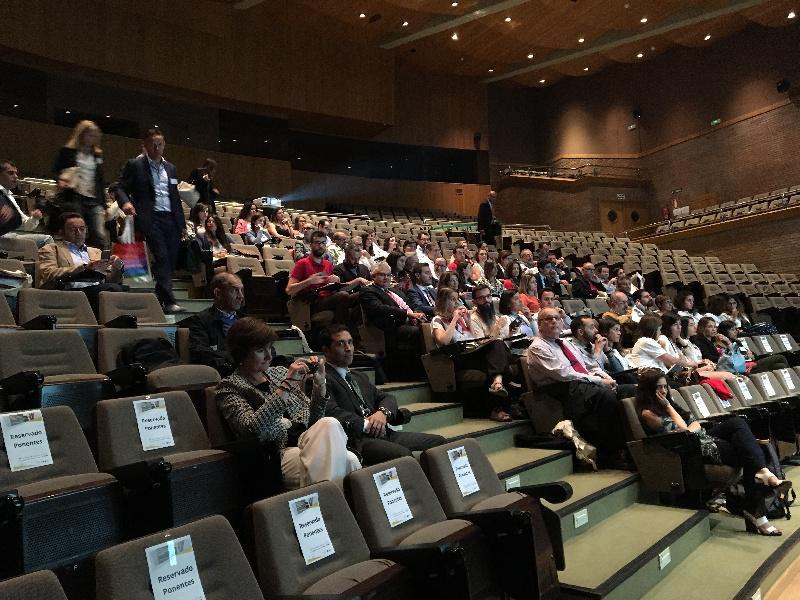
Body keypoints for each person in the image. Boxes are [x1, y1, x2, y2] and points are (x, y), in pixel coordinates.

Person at [635, 368, 791, 536]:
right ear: (649, 390)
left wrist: (686, 425)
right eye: (659, 387)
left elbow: (695, 423)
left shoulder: (669, 404)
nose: (664, 391)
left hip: (702, 439)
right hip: (689, 450)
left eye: (665, 387)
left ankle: (763, 478)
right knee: (749, 454)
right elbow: (683, 430)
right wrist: (669, 408)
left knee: (737, 423)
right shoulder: (648, 413)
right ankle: (760, 503)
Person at [216, 318, 361, 489]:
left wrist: (319, 385)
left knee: (342, 446)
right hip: (275, 454)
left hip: (307, 441)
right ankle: (333, 507)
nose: (269, 356)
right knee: (345, 454)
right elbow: (251, 430)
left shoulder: (279, 373)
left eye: (270, 348)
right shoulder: (229, 387)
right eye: (260, 350)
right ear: (241, 353)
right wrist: (286, 385)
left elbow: (314, 419)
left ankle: (325, 506)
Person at [321, 325, 444, 465]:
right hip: (358, 440)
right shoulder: (322, 379)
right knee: (403, 457)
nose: (348, 348)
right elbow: (331, 412)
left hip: (385, 433)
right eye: (340, 344)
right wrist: (370, 424)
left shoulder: (359, 376)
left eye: (350, 342)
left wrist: (382, 413)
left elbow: (386, 398)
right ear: (326, 350)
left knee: (439, 443)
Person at [525, 307, 627, 467]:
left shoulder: (565, 343)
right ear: (539, 324)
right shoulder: (538, 347)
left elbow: (589, 365)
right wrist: (599, 382)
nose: (554, 321)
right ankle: (610, 454)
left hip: (580, 383)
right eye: (548, 319)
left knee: (628, 391)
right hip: (559, 388)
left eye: (557, 318)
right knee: (606, 397)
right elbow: (563, 374)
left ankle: (632, 445)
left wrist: (608, 379)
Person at [115, 129, 186, 313]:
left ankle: (159, 297)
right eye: (153, 144)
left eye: (160, 144)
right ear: (145, 146)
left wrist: (182, 223)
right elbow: (120, 188)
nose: (157, 148)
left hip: (172, 218)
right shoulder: (135, 165)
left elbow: (175, 196)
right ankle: (169, 301)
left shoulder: (171, 168)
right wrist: (126, 203)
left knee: (170, 260)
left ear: (164, 145)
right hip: (150, 217)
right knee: (161, 256)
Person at [432, 287, 514, 422]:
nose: (457, 303)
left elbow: (478, 340)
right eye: (453, 300)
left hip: (474, 352)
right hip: (460, 357)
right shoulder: (438, 320)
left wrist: (468, 319)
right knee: (500, 354)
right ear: (443, 302)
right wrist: (454, 320)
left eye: (457, 299)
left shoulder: (462, 320)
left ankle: (497, 390)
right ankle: (504, 393)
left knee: (497, 346)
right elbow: (444, 341)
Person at [36, 212, 125, 313]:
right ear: (61, 232)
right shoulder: (50, 249)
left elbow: (110, 279)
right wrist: (84, 268)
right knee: (112, 289)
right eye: (73, 229)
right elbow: (49, 273)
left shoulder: (96, 251)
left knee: (120, 288)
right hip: (68, 289)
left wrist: (117, 268)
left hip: (97, 287)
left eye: (82, 229)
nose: (79, 232)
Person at [52, 120, 107, 248]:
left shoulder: (97, 154)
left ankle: (98, 262)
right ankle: (75, 260)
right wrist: (60, 180)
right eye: (89, 135)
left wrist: (104, 205)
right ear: (81, 134)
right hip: (75, 197)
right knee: (75, 231)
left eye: (94, 136)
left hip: (94, 200)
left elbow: (100, 180)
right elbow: (55, 171)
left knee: (98, 234)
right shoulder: (68, 151)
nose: (92, 138)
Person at [184, 272, 245, 375]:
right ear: (218, 293)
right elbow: (199, 352)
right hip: (223, 373)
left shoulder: (245, 320)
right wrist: (238, 359)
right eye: (235, 290)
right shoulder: (200, 321)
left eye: (241, 290)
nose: (241, 296)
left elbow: (265, 345)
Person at [287, 230, 351, 324]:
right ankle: (340, 329)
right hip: (311, 302)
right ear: (310, 245)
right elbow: (289, 290)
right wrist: (309, 281)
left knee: (358, 296)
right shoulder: (302, 263)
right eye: (317, 242)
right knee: (343, 296)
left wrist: (335, 281)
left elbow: (329, 286)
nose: (320, 246)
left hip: (327, 299)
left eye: (323, 243)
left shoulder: (328, 264)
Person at [658, 313, 734, 380]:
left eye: (679, 324)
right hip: (681, 375)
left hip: (688, 372)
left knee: (732, 376)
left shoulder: (676, 342)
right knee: (728, 376)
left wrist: (701, 362)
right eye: (675, 325)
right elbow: (670, 365)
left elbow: (685, 361)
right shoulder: (663, 339)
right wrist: (698, 365)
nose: (679, 327)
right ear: (667, 327)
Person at [0, 159, 53, 247]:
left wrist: (34, 218)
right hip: (3, 236)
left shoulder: (9, 195)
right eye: (10, 173)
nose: (16, 176)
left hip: (9, 236)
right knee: (46, 240)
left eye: (16, 173)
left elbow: (24, 225)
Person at [715, 320, 789, 373]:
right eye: (732, 330)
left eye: (736, 329)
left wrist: (751, 354)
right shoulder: (722, 344)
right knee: (780, 357)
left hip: (751, 364)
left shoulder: (736, 341)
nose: (736, 331)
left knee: (780, 366)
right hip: (744, 368)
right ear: (724, 331)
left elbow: (751, 355)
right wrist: (746, 356)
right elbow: (732, 360)